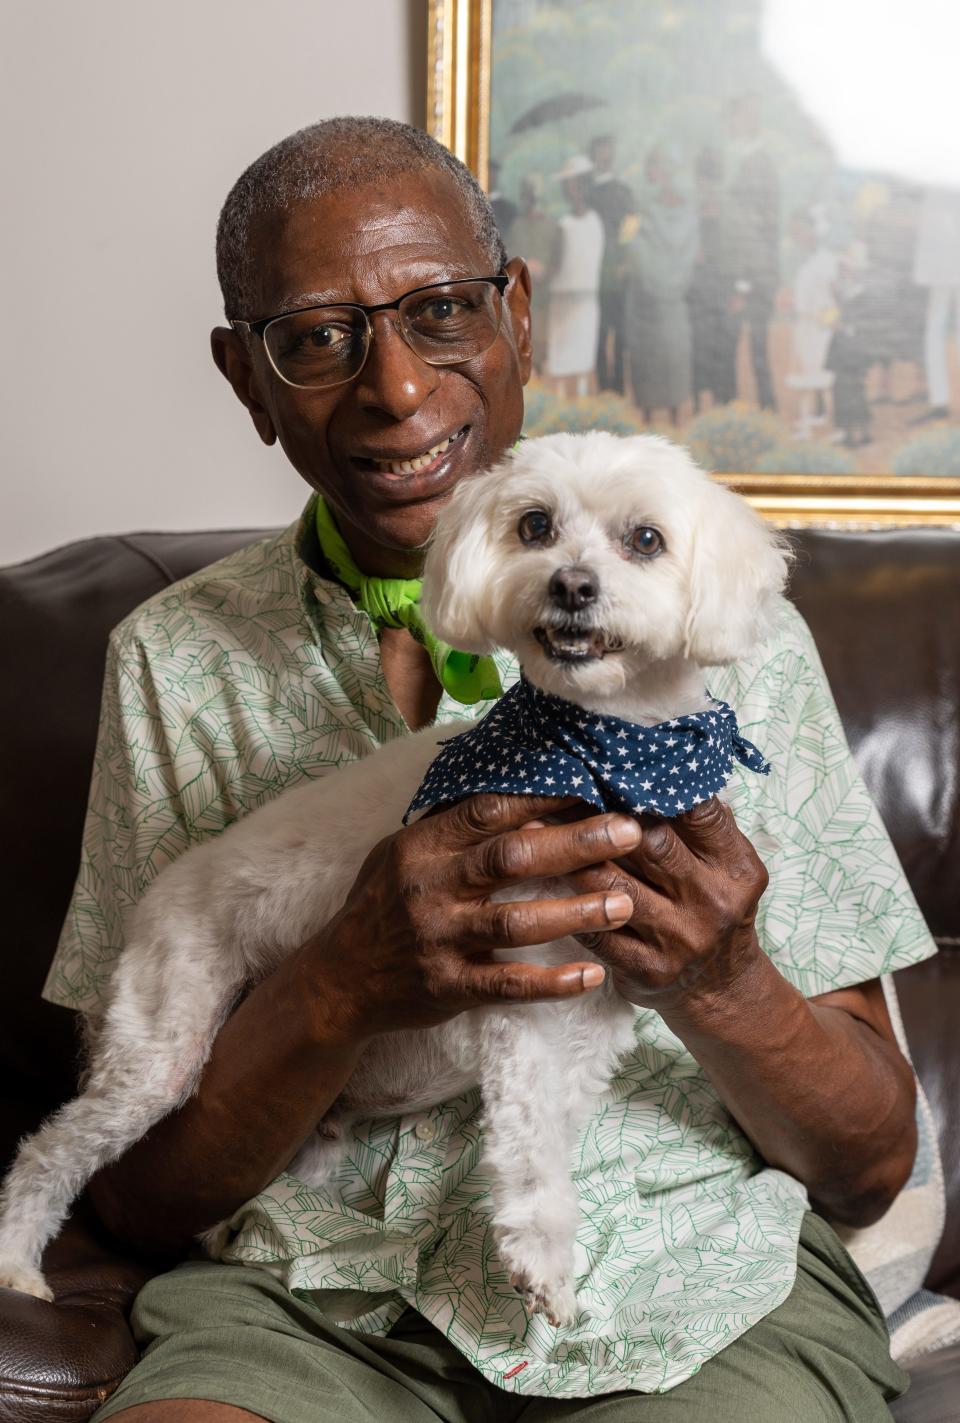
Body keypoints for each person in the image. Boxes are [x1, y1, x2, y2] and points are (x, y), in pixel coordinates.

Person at [44, 116, 933, 1422]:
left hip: (691, 1292)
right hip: (308, 1301)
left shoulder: (734, 639)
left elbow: (869, 1163)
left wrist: (722, 978)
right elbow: (132, 1184)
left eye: (442, 310)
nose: (396, 387)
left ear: (518, 312)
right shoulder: (171, 662)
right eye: (316, 336)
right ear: (247, 378)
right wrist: (341, 979)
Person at [625, 143, 698, 425]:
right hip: (644, 297)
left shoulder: (688, 212)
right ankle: (647, 413)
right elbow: (628, 243)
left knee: (675, 351)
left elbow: (690, 251)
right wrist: (645, 269)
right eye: (654, 167)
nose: (660, 173)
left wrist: (670, 279)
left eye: (665, 167)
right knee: (646, 354)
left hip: (672, 297)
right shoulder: (640, 209)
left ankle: (676, 413)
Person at [720, 95, 780, 411]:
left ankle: (753, 409)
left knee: (750, 345)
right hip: (755, 271)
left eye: (734, 118)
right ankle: (758, 408)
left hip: (754, 274)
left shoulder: (756, 164)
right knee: (749, 345)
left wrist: (742, 284)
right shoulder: (748, 160)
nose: (729, 125)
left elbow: (755, 232)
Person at [546, 154, 605, 397]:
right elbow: (558, 265)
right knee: (562, 357)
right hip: (564, 298)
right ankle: (561, 406)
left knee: (580, 357)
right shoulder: (566, 223)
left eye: (576, 184)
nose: (572, 189)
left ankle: (578, 408)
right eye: (569, 184)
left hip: (583, 298)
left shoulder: (591, 223)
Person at [587, 135, 636, 395]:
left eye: (608, 150)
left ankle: (618, 386)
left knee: (620, 331)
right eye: (600, 151)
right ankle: (603, 385)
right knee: (598, 330)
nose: (605, 155)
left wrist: (626, 257)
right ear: (594, 155)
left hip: (617, 269)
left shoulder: (622, 190)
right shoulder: (587, 193)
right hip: (593, 270)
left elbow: (631, 224)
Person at [506, 175, 561, 376]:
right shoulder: (517, 226)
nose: (530, 201)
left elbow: (557, 259)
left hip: (543, 296)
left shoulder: (552, 227)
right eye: (527, 196)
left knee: (542, 343)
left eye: (533, 196)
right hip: (520, 295)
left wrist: (545, 272)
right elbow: (509, 256)